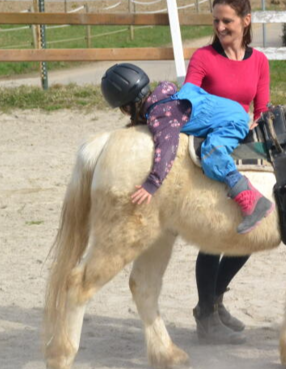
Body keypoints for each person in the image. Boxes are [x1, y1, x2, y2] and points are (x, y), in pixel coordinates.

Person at [100, 62, 274, 269]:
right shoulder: (164, 93)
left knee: (211, 156)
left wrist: (152, 183)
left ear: (126, 107)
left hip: (232, 122)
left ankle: (252, 200)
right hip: (229, 110)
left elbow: (166, 150)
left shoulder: (162, 117)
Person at [183, 0, 270, 345]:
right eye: (216, 20)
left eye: (227, 21)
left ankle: (214, 303)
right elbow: (188, 99)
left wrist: (257, 123)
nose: (220, 27)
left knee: (254, 232)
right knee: (214, 233)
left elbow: (262, 108)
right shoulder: (203, 57)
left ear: (246, 21)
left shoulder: (260, 61)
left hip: (244, 148)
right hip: (212, 151)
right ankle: (206, 315)